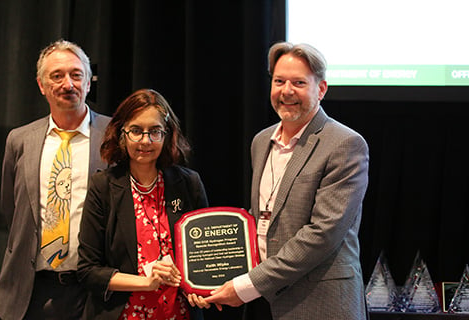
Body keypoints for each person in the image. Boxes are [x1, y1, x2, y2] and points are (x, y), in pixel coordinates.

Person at [204, 42, 370, 319]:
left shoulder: (345, 144)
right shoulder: (261, 141)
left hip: (320, 303)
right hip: (265, 302)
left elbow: (322, 234)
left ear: (321, 89)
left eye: (299, 82)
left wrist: (248, 285)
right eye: (279, 81)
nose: (287, 91)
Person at [0, 39, 111, 319]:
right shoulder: (19, 140)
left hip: (94, 293)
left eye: (76, 74)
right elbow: (13, 212)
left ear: (88, 83)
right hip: (30, 293)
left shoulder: (114, 136)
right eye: (56, 76)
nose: (67, 84)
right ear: (41, 85)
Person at [77, 88, 209, 320]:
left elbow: (204, 256)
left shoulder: (188, 183)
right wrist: (146, 282)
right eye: (136, 131)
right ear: (122, 134)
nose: (145, 141)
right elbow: (88, 271)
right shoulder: (103, 186)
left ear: (167, 134)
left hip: (179, 313)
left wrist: (202, 288)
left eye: (155, 132)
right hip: (123, 314)